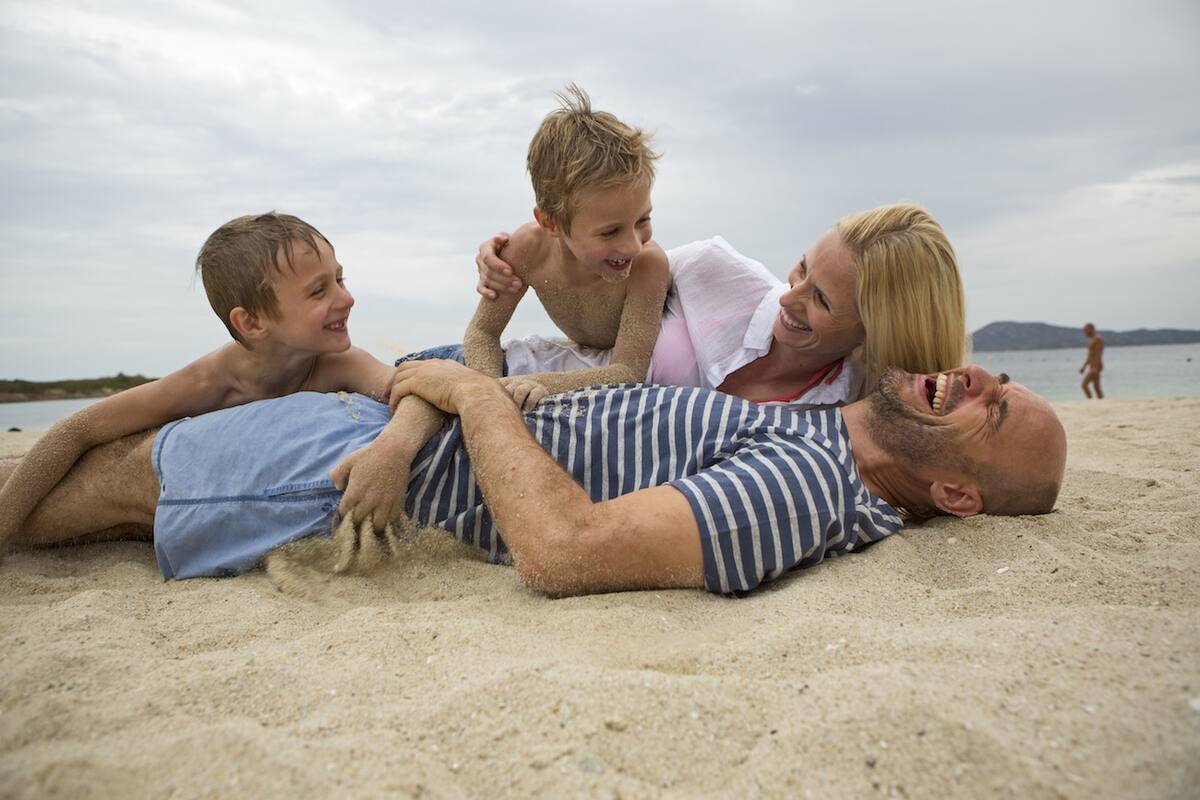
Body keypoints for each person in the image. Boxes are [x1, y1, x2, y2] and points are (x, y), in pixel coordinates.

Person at [3, 361, 1067, 596]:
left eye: (996, 408)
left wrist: (472, 395)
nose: (978, 376)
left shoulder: (813, 486)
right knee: (92, 468)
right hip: (381, 427)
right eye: (1001, 377)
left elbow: (566, 551)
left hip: (340, 476)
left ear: (962, 494)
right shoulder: (806, 426)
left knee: (91, 481)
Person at [0, 212, 418, 561]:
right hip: (142, 477)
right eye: (318, 291)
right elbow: (78, 430)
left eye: (340, 280)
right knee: (41, 486)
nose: (346, 299)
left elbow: (410, 388)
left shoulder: (339, 363)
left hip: (178, 515)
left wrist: (392, 449)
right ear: (251, 323)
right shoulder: (208, 382)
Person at [470, 202, 968, 410]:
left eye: (820, 299)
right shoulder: (716, 270)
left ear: (875, 332)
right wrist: (510, 253)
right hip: (514, 377)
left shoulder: (846, 402)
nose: (788, 298)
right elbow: (604, 263)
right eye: (802, 268)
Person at [458, 83, 670, 409]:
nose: (633, 245)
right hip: (574, 355)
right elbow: (481, 334)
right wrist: (489, 395)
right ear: (551, 223)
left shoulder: (648, 264)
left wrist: (534, 383)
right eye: (610, 231)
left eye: (643, 220)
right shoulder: (527, 249)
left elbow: (629, 370)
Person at [1080, 323, 1105, 399]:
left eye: (1085, 331)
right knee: (1096, 386)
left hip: (1096, 365)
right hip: (1093, 366)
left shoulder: (1098, 339)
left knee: (1084, 385)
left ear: (1091, 329)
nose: (1084, 333)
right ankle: (1100, 401)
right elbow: (1090, 356)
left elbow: (1098, 354)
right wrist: (1084, 366)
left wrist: (1095, 367)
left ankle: (1090, 400)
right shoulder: (1093, 340)